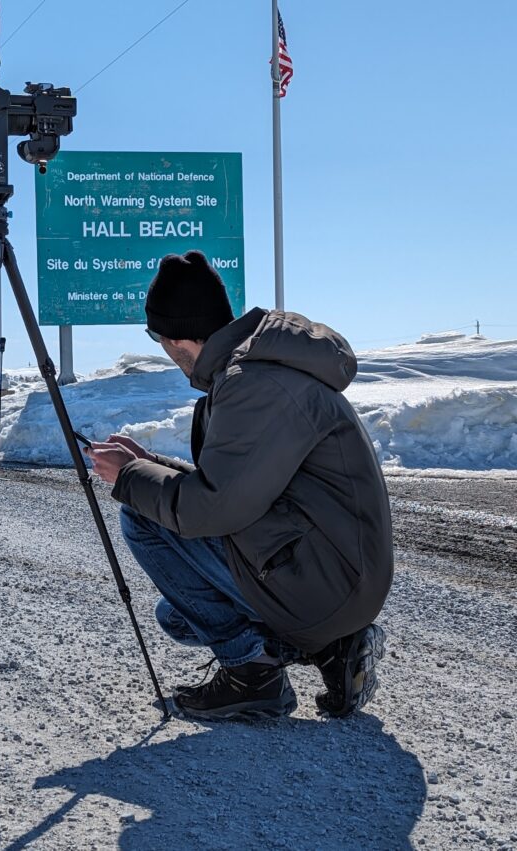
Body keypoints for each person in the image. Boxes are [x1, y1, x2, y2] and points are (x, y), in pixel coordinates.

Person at [86, 251, 393, 721]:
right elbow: (235, 486)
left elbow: (210, 510)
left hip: (329, 581)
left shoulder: (254, 383)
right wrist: (150, 464)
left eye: (158, 336)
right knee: (177, 616)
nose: (162, 348)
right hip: (341, 570)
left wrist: (129, 478)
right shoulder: (264, 368)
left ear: (176, 336)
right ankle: (333, 648)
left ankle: (254, 671)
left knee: (140, 517)